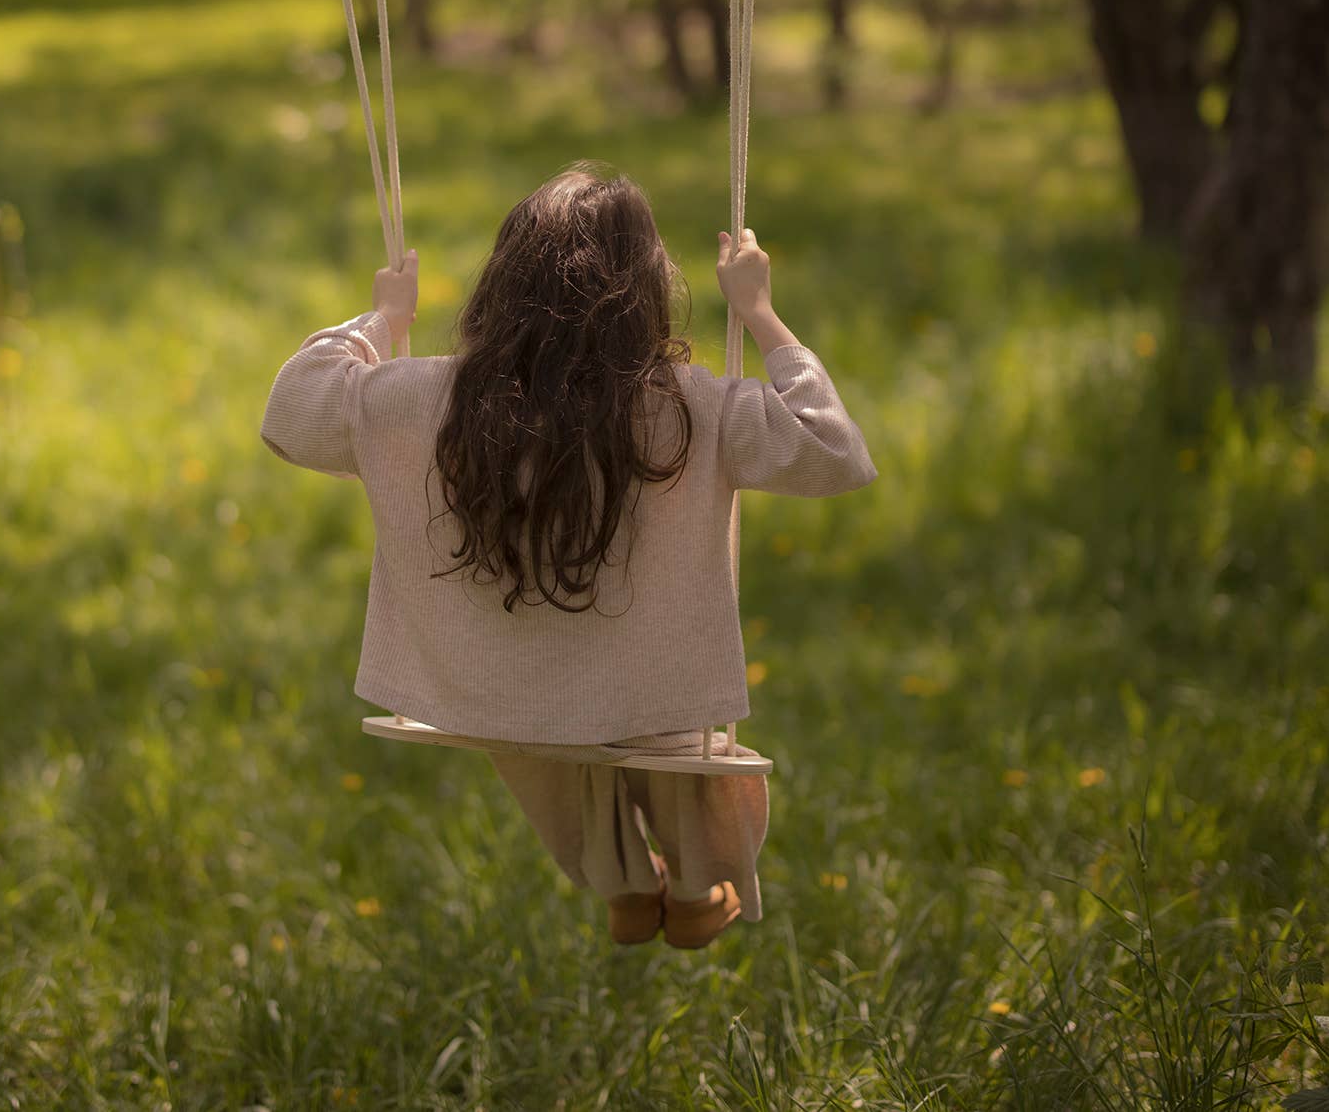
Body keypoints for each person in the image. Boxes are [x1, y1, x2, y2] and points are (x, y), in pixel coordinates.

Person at [260, 163, 877, 948]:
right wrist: (760, 315)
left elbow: (292, 408)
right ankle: (692, 890)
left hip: (490, 689)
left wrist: (379, 320)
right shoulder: (690, 407)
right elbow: (834, 454)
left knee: (543, 734)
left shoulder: (425, 399)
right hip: (650, 687)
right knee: (674, 746)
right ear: (647, 290)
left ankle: (623, 888)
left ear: (500, 286)